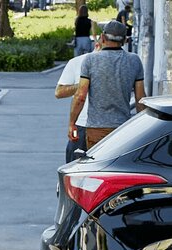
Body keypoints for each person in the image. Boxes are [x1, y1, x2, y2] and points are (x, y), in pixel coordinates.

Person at [68, 19, 144, 150]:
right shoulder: (134, 60)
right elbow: (140, 98)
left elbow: (80, 96)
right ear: (125, 40)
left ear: (102, 38)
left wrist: (72, 123)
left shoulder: (90, 60)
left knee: (97, 162)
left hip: (96, 129)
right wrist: (142, 127)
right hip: (123, 128)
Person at [54, 50, 91, 162]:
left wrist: (71, 124)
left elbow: (80, 97)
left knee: (75, 165)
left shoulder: (128, 61)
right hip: (83, 125)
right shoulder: (77, 62)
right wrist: (83, 85)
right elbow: (59, 92)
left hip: (83, 126)